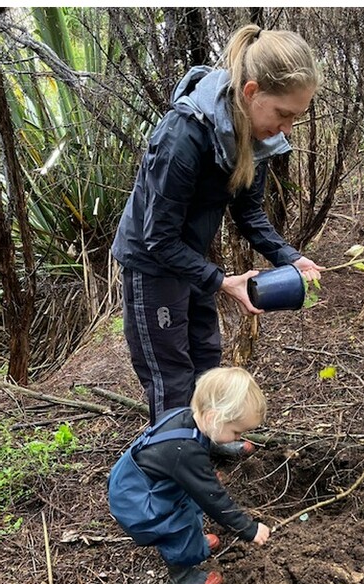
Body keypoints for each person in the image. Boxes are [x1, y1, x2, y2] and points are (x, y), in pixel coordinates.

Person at [111, 24, 324, 439]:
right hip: (153, 265)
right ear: (251, 92)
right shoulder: (183, 135)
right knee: (171, 376)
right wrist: (222, 281)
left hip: (190, 259)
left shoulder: (253, 140)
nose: (288, 129)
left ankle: (206, 447)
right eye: (283, 114)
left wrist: (289, 256)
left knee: (207, 359)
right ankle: (173, 471)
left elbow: (249, 213)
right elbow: (158, 237)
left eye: (296, 117)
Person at [107, 367, 271, 584]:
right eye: (236, 432)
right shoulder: (185, 452)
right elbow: (213, 498)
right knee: (179, 526)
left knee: (188, 504)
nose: (239, 437)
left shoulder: (186, 415)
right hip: (138, 501)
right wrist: (248, 528)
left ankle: (195, 543)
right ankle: (183, 576)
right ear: (214, 419)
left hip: (133, 479)